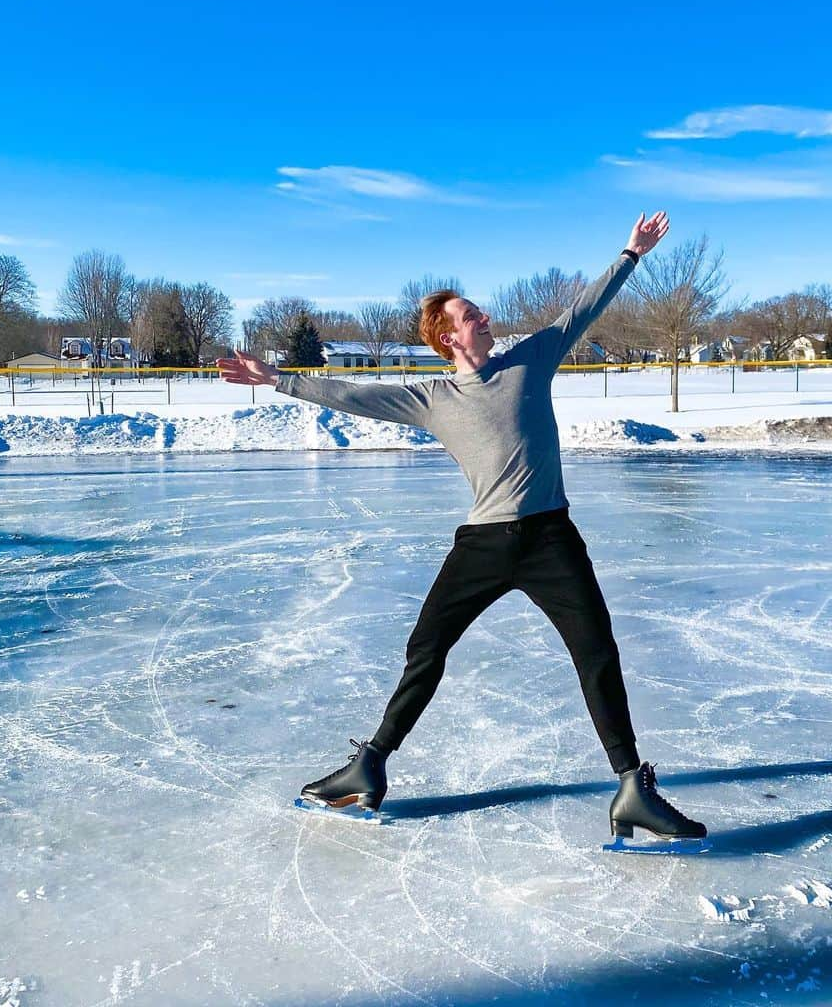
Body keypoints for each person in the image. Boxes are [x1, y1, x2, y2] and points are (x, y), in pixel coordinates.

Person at [217, 212, 706, 843]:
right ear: (448, 337)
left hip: (552, 539)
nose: (485, 319)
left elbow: (581, 311)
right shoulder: (431, 400)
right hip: (482, 545)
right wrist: (277, 380)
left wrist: (630, 254)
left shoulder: (530, 361)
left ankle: (633, 789)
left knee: (597, 654)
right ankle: (369, 766)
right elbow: (349, 395)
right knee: (426, 650)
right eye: (471, 315)